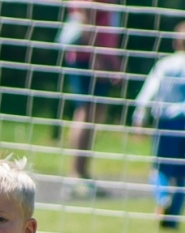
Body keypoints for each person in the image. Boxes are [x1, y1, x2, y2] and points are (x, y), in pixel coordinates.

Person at [131, 19, 185, 228]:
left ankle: (163, 198)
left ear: (176, 42)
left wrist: (140, 116)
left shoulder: (165, 64)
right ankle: (173, 218)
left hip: (168, 123)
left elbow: (149, 92)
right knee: (183, 174)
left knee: (160, 168)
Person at [58, 0, 122, 197]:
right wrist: (97, 56)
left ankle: (84, 174)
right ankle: (76, 175)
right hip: (86, 59)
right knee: (85, 113)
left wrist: (112, 59)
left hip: (100, 57)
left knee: (94, 114)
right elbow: (85, 18)